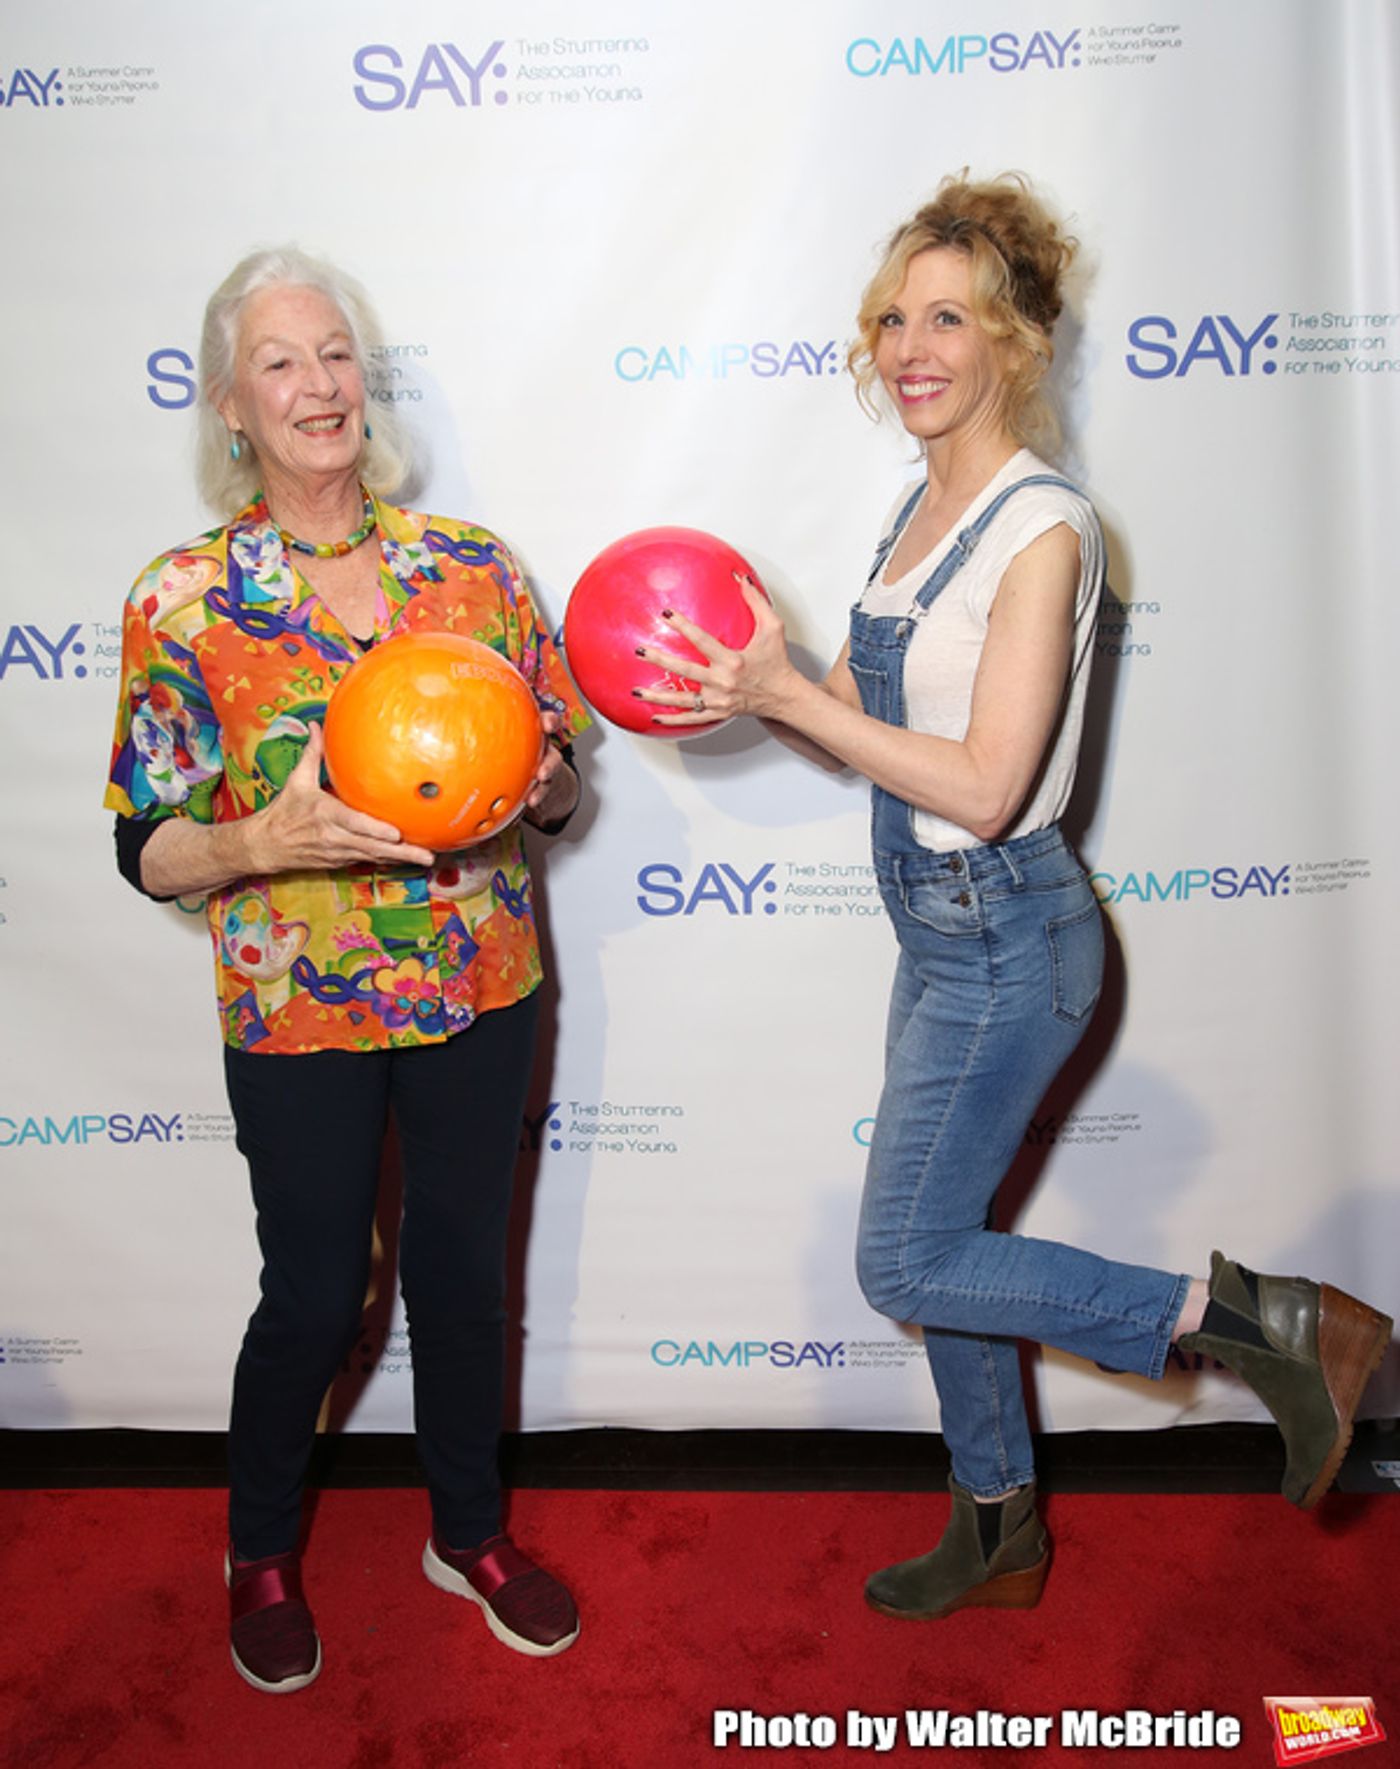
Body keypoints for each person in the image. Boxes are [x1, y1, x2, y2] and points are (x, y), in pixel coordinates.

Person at [633, 173, 1393, 1618]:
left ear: (1016, 344)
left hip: (1009, 932)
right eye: (893, 317)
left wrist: (796, 691)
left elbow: (983, 782)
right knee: (956, 1240)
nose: (912, 346)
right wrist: (751, 687)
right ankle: (1000, 1525)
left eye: (951, 318)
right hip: (936, 924)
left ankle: (1264, 1323)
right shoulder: (924, 502)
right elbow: (875, 709)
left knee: (906, 1254)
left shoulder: (1046, 529)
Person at [105, 247, 590, 1690]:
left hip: (479, 984)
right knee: (315, 1294)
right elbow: (145, 845)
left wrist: (543, 784)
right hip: (298, 1009)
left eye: (334, 355)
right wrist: (265, 834)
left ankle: (470, 1527)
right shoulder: (185, 598)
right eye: (280, 362)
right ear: (232, 407)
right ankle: (258, 1545)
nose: (318, 385)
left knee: (460, 1276)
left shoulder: (474, 569)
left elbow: (563, 785)